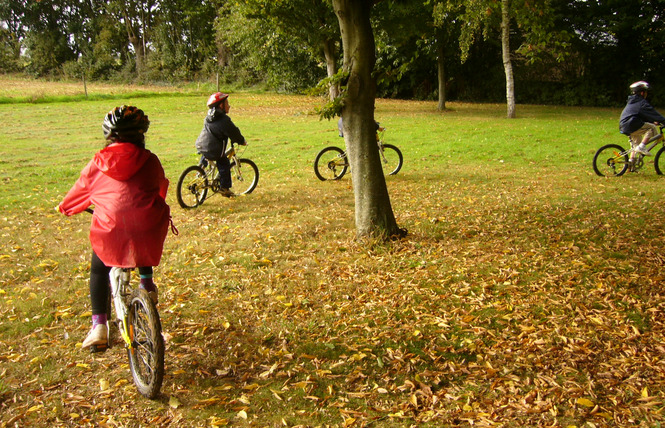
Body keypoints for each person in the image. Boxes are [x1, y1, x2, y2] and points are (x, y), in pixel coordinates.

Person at [58, 105, 171, 351]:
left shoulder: (97, 164)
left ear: (110, 136)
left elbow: (77, 195)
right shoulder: (150, 160)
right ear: (141, 135)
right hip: (147, 228)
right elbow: (159, 188)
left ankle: (99, 325)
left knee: (99, 269)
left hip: (109, 228)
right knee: (143, 226)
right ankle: (147, 284)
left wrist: (65, 208)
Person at [195, 92, 247, 197]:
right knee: (224, 163)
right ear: (221, 105)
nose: (229, 105)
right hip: (214, 149)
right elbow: (233, 132)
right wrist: (241, 141)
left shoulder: (209, 116)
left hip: (202, 145)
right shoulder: (224, 120)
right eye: (227, 103)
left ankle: (200, 171)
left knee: (206, 155)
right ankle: (224, 188)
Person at [619, 81, 665, 156]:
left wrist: (652, 121)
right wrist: (663, 121)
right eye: (646, 92)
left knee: (635, 146)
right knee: (652, 128)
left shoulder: (632, 102)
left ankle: (631, 164)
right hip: (632, 124)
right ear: (642, 93)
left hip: (625, 125)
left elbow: (639, 115)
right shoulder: (641, 103)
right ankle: (642, 146)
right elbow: (653, 113)